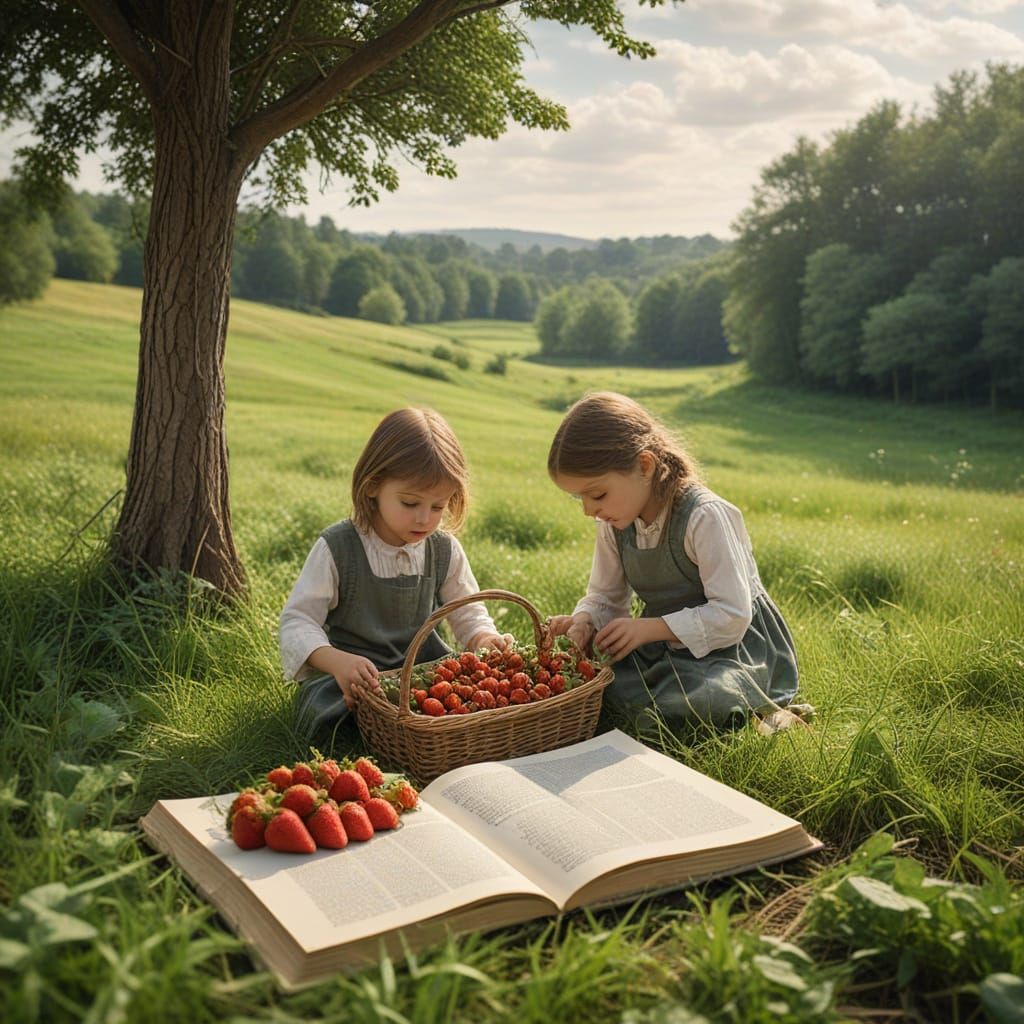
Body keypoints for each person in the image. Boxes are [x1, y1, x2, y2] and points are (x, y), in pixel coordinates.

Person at [546, 392, 806, 737]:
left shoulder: (704, 516)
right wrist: (585, 620)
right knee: (599, 684)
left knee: (697, 700)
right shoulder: (614, 524)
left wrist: (648, 629)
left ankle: (765, 711)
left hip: (735, 645)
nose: (588, 510)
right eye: (579, 499)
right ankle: (701, 706)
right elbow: (606, 597)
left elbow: (733, 615)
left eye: (597, 495)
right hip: (664, 642)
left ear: (645, 466)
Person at [280, 407, 510, 745]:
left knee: (461, 694)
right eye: (409, 503)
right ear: (373, 486)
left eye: (437, 507)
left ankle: (422, 732)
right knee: (332, 709)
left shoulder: (443, 549)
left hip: (422, 671)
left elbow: (468, 611)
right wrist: (336, 662)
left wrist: (483, 639)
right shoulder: (339, 547)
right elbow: (297, 621)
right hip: (355, 677)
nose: (424, 519)